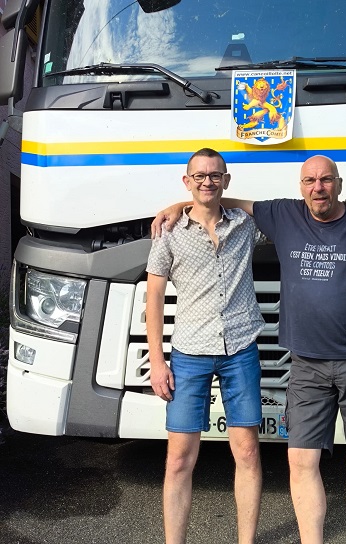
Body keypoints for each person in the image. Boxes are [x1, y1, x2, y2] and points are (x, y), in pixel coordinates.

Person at [152, 154, 346, 544]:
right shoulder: (280, 216)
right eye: (310, 181)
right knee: (293, 461)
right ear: (300, 187)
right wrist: (178, 206)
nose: (318, 187)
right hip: (292, 363)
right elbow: (216, 204)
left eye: (326, 180)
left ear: (339, 183)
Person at [146, 147, 265, 544]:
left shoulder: (246, 225)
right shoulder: (169, 233)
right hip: (189, 354)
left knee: (247, 452)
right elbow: (154, 299)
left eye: (215, 175)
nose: (207, 181)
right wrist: (158, 362)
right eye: (199, 176)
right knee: (179, 459)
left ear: (226, 180)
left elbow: (299, 217)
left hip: (240, 350)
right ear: (187, 181)